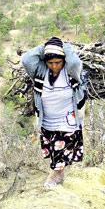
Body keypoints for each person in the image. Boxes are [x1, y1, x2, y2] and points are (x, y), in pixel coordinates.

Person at [21, 37, 88, 188]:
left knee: (60, 151)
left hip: (67, 119)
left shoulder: (70, 72)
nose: (54, 66)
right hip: (47, 120)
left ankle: (53, 179)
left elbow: (76, 62)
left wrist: (64, 46)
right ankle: (60, 176)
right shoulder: (40, 71)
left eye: (58, 62)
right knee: (54, 151)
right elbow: (26, 60)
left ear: (64, 60)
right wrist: (46, 46)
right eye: (50, 63)